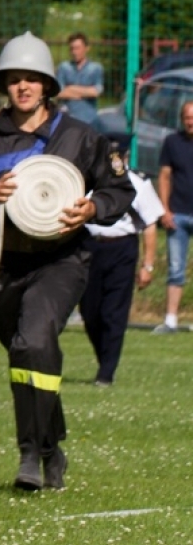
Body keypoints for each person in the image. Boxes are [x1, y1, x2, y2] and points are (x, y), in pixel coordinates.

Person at [0, 32, 132, 490]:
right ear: (4, 85)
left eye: (33, 79)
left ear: (47, 85)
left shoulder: (79, 137)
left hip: (61, 260)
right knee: (28, 353)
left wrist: (93, 208)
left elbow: (120, 191)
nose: (23, 87)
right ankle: (51, 448)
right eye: (14, 80)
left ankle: (28, 455)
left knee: (33, 341)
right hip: (0, 265)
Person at [80, 133, 161, 386]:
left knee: (113, 313)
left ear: (125, 155)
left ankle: (106, 372)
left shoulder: (137, 182)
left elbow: (149, 225)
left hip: (121, 248)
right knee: (90, 311)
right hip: (90, 246)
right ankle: (104, 358)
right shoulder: (89, 179)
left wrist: (148, 265)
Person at [154, 101, 193, 333]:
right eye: (188, 117)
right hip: (177, 214)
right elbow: (165, 176)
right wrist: (164, 210)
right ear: (182, 119)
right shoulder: (172, 142)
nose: (191, 122)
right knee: (176, 268)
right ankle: (170, 320)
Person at [55, 32, 104, 128]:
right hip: (67, 118)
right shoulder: (64, 67)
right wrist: (85, 92)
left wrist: (70, 88)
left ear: (86, 48)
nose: (74, 52)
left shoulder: (95, 68)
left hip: (89, 119)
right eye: (72, 48)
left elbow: (96, 92)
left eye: (77, 48)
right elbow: (59, 92)